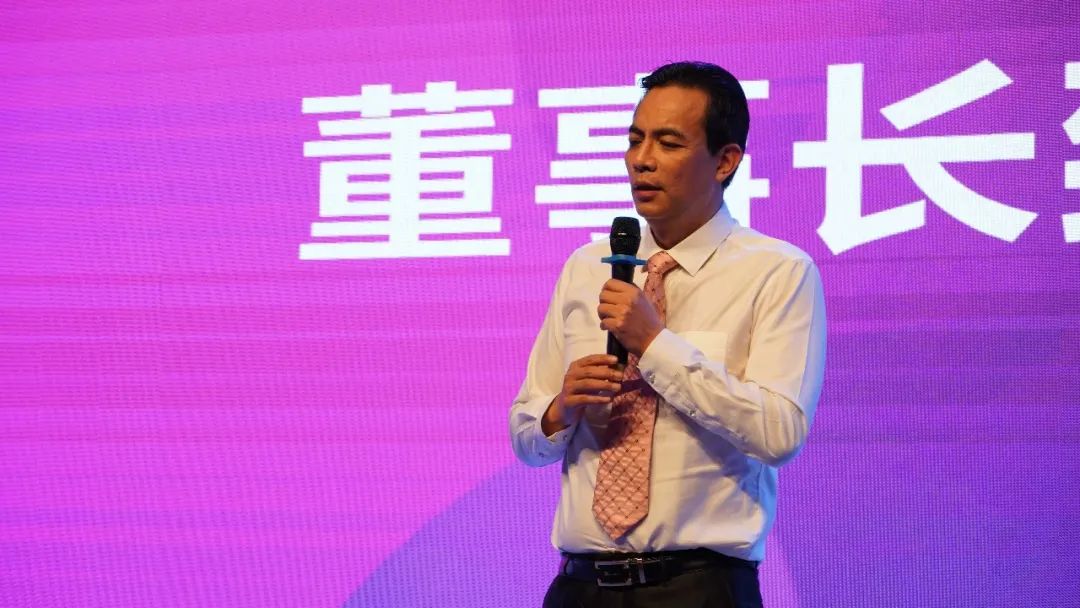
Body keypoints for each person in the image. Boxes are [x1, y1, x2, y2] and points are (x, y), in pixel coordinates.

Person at [509, 61, 827, 607]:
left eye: (668, 143)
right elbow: (526, 436)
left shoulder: (777, 271)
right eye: (635, 140)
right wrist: (560, 410)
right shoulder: (587, 266)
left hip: (699, 587)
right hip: (580, 587)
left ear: (725, 160)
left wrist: (655, 346)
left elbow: (779, 433)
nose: (642, 159)